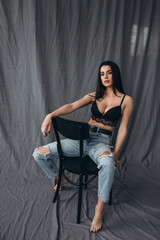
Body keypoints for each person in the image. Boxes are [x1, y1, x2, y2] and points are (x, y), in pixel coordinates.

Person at [32, 60, 133, 233]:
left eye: (109, 72)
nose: (105, 77)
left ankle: (99, 210)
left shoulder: (126, 100)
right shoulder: (94, 96)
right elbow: (71, 106)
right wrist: (50, 115)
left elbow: (122, 129)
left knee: (108, 164)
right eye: (102, 74)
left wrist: (114, 153)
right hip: (81, 139)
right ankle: (58, 177)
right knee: (38, 153)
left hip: (101, 143)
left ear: (115, 74)